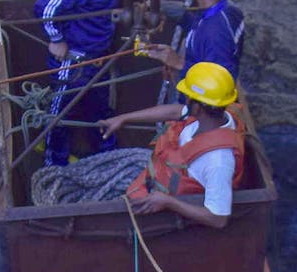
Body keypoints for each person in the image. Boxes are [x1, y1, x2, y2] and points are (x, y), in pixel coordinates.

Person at [34, 0, 139, 167]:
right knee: (61, 115)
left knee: (99, 110)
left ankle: (106, 160)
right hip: (73, 61)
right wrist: (56, 39)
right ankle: (53, 167)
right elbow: (47, 8)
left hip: (96, 60)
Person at [98, 61, 245, 229]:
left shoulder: (217, 161)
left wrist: (168, 202)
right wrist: (123, 118)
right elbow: (175, 111)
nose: (185, 100)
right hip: (151, 187)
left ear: (197, 107)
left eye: (188, 97)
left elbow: (218, 219)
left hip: (165, 211)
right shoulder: (211, 118)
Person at [145, 0, 245, 87]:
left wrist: (178, 63)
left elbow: (215, 85)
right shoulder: (229, 10)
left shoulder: (215, 35)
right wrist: (166, 8)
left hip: (198, 103)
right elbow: (201, 26)